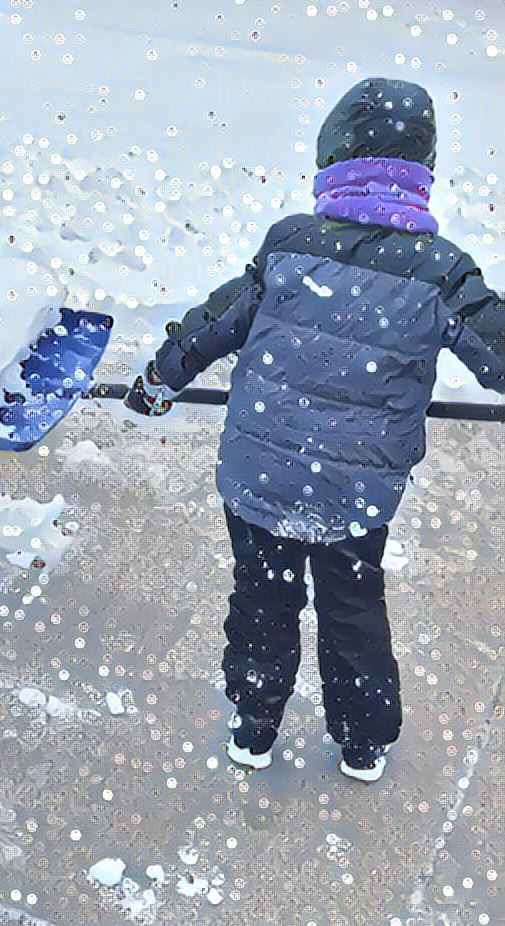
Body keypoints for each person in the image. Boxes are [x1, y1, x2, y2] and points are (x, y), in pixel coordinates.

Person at [124, 76, 505, 783]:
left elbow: (216, 323)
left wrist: (158, 380)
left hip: (259, 475)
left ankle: (254, 726)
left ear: (336, 162)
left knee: (263, 600)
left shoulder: (292, 243)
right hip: (356, 491)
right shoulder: (442, 272)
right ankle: (362, 741)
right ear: (419, 175)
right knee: (352, 609)